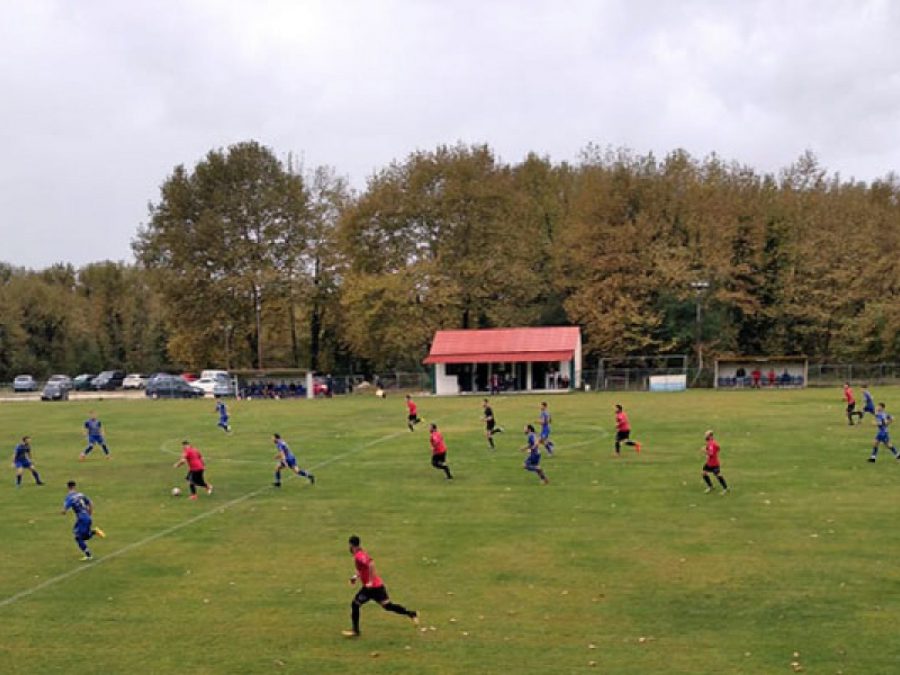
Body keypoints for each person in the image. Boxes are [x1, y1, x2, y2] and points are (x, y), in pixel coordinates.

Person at [342, 535, 419, 637]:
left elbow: (371, 563)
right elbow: (362, 569)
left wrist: (369, 581)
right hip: (376, 586)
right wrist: (355, 577)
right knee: (388, 606)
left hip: (372, 588)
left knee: (355, 604)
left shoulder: (359, 555)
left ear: (352, 545)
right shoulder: (360, 554)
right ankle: (411, 614)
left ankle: (355, 631)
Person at [61, 480, 105, 561]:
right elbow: (90, 503)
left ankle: (88, 555)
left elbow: (64, 510)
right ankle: (94, 532)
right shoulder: (81, 494)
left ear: (68, 487)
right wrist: (89, 513)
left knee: (78, 537)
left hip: (81, 519)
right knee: (84, 536)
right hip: (87, 517)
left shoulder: (69, 497)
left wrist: (63, 512)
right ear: (75, 486)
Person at [701, 430, 729, 494]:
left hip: (714, 463)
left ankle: (725, 488)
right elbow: (718, 448)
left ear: (710, 436)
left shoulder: (711, 443)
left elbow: (711, 454)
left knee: (718, 475)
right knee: (704, 473)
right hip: (709, 463)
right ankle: (710, 487)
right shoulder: (712, 442)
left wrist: (704, 451)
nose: (705, 436)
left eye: (706, 435)